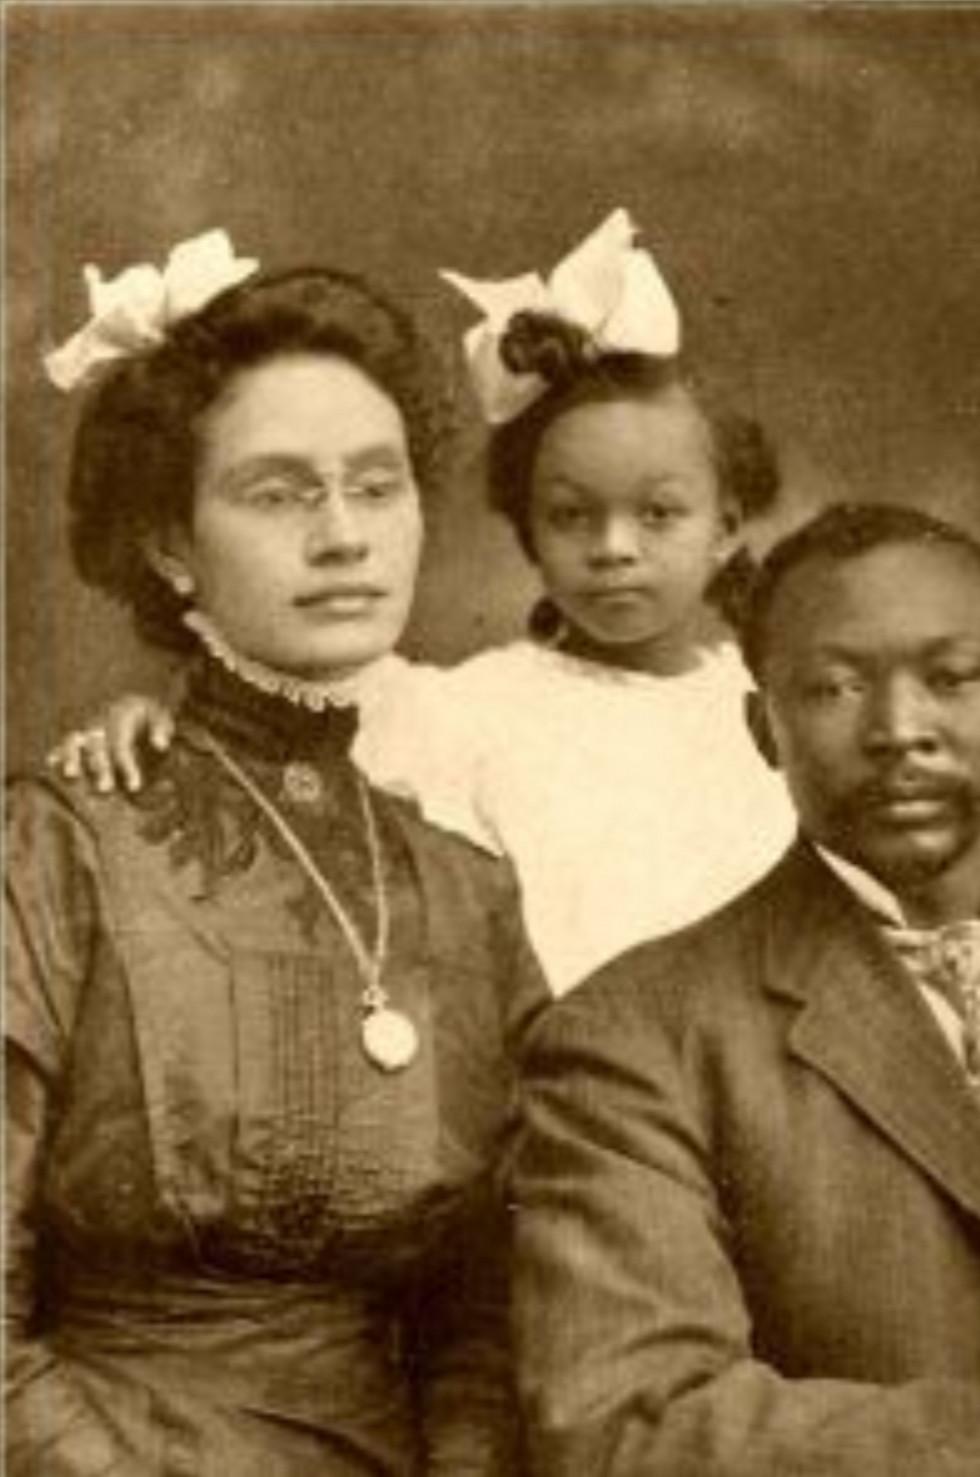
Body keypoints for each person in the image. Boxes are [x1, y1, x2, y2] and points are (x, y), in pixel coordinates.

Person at [6, 230, 545, 1475]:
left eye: (377, 482)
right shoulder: (60, 842)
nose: (346, 535)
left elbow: (481, 1314)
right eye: (278, 491)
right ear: (169, 543)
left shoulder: (462, 889)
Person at [46, 208, 797, 996]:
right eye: (573, 515)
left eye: (659, 513)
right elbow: (280, 709)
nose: (614, 547)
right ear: (529, 529)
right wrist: (150, 717)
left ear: (728, 525)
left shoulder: (766, 710)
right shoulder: (461, 707)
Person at [512, 502, 980, 1476]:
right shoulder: (633, 1037)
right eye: (830, 687)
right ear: (761, 727)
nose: (901, 731)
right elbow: (633, 1425)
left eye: (950, 679)